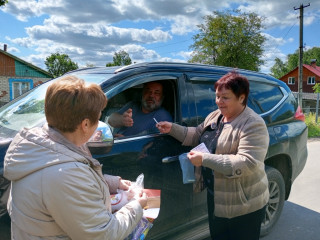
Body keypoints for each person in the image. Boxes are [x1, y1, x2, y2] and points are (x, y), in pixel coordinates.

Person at [4, 76, 147, 240]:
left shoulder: (43, 145)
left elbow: (66, 184)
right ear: (85, 125)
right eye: (98, 117)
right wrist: (136, 205)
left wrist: (114, 183)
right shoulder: (64, 175)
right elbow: (104, 234)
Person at [156, 71, 269, 240]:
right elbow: (197, 134)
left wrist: (204, 160)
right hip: (216, 196)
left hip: (243, 203)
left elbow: (248, 162)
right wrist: (172, 128)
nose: (219, 102)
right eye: (217, 96)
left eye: (225, 97)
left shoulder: (253, 124)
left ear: (241, 98)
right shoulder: (216, 115)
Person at [107, 81, 172, 137]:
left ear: (162, 97)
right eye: (148, 91)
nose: (151, 95)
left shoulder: (163, 117)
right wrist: (121, 120)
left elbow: (151, 144)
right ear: (142, 93)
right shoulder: (133, 105)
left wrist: (125, 141)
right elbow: (110, 120)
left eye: (156, 93)